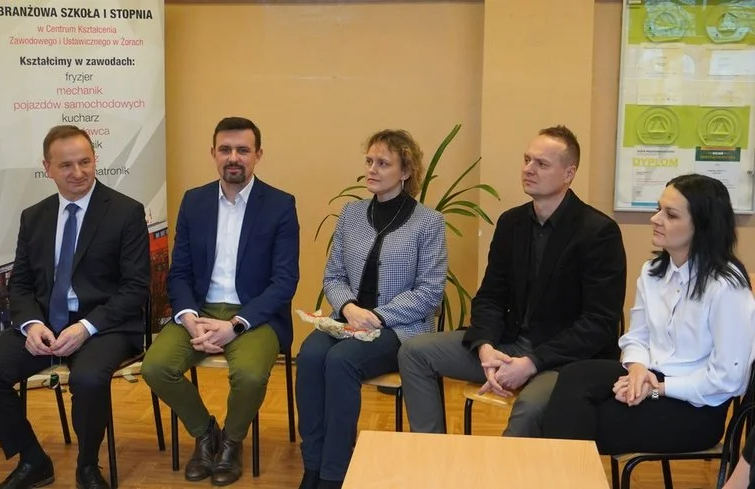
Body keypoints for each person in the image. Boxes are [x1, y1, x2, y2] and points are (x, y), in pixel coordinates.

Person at [398, 125, 627, 437]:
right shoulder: (511, 223)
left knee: (530, 408)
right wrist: (485, 347)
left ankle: (507, 467)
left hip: (564, 359)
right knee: (414, 352)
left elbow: (598, 323)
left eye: (541, 164)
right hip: (508, 343)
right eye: (527, 160)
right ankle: (432, 454)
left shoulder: (598, 232)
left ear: (569, 173)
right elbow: (490, 296)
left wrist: (531, 363)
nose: (529, 169)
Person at [0, 125, 151, 489]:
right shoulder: (34, 216)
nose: (78, 172)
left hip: (104, 325)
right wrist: (31, 324)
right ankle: (33, 460)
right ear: (47, 168)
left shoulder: (126, 212)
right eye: (66, 165)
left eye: (85, 161)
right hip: (46, 323)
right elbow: (20, 284)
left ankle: (87, 466)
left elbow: (135, 288)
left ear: (95, 159)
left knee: (88, 378)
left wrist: (85, 328)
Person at [541, 174, 755, 455]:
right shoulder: (653, 272)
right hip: (652, 379)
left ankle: (556, 471)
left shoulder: (727, 287)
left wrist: (658, 389)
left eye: (670, 215)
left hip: (696, 408)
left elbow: (728, 379)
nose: (655, 219)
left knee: (576, 419)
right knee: (576, 375)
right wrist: (637, 370)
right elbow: (637, 337)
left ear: (703, 226)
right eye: (658, 209)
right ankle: (561, 471)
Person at [141, 116, 300, 487]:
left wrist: (235, 325)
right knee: (155, 368)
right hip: (199, 311)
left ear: (258, 155)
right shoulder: (194, 201)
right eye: (225, 149)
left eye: (243, 150)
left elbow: (284, 281)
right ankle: (205, 434)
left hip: (254, 315)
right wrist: (188, 318)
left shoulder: (279, 205)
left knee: (249, 376)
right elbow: (179, 272)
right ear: (213, 153)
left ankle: (231, 441)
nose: (233, 157)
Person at [295, 129, 448, 489]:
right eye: (369, 161)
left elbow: (429, 293)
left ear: (405, 171)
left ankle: (333, 474)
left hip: (398, 329)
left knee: (340, 362)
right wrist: (348, 306)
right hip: (348, 320)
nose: (372, 169)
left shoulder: (429, 222)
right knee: (310, 356)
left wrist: (378, 316)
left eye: (383, 163)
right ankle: (312, 465)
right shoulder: (351, 214)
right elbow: (333, 276)